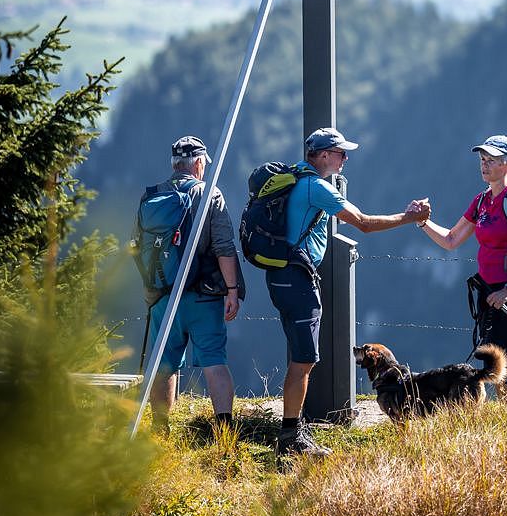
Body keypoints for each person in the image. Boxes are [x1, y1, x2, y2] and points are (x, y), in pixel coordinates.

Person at [266, 126, 430, 461]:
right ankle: (291, 435)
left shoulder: (296, 176)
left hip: (281, 276)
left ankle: (293, 428)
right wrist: (409, 217)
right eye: (341, 153)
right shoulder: (316, 187)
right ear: (324, 155)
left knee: (301, 356)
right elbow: (365, 223)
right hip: (297, 279)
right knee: (304, 360)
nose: (346, 159)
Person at [411, 134, 507, 407]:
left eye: (491, 160)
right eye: (482, 159)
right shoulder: (482, 201)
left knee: (500, 354)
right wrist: (422, 222)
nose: (484, 164)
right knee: (492, 354)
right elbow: (452, 240)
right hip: (486, 289)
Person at [137, 135, 241, 433]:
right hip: (202, 297)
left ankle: (160, 430)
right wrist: (232, 291)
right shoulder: (209, 195)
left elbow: (137, 246)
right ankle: (224, 431)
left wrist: (150, 288)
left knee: (164, 364)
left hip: (162, 296)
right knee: (213, 361)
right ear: (198, 163)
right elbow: (224, 246)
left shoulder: (151, 196)